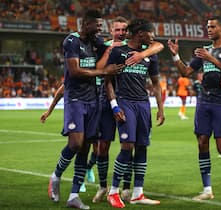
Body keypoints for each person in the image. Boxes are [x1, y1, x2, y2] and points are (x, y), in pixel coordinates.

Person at [47, 9, 124, 209]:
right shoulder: (71, 41)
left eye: (101, 26)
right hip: (75, 99)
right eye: (97, 25)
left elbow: (110, 48)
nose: (99, 29)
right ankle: (55, 176)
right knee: (75, 143)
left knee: (85, 147)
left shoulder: (95, 41)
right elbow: (74, 71)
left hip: (93, 101)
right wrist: (103, 71)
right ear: (85, 24)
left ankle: (73, 196)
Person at [167, 16, 221, 201]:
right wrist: (176, 55)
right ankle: (207, 189)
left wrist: (211, 58)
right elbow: (186, 72)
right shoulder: (204, 51)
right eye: (208, 27)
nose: (209, 29)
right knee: (202, 142)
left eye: (213, 26)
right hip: (204, 100)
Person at [92, 16, 164, 203]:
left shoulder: (149, 54)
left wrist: (160, 108)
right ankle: (113, 191)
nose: (153, 36)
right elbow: (107, 81)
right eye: (151, 33)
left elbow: (156, 84)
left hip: (143, 104)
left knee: (142, 146)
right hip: (125, 102)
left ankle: (137, 193)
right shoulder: (119, 52)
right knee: (127, 146)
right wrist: (114, 105)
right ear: (141, 34)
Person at [41, 84, 96, 193]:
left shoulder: (101, 72)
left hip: (96, 108)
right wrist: (49, 111)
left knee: (94, 149)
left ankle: (84, 176)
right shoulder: (78, 72)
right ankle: (59, 176)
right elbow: (62, 90)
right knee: (77, 144)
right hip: (78, 105)